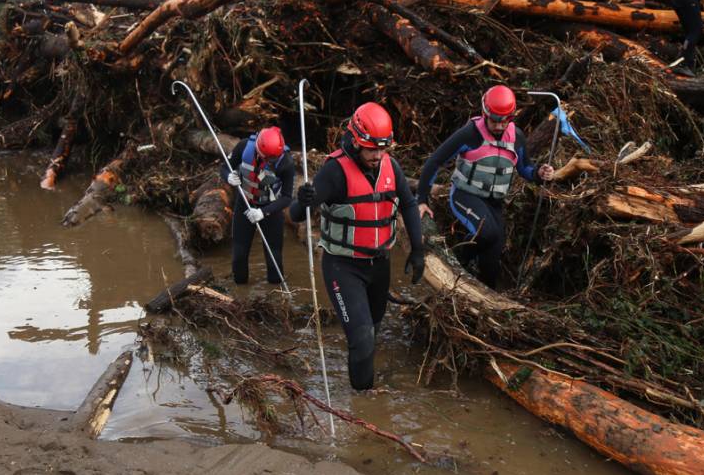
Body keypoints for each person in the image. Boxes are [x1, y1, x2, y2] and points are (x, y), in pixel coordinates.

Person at [290, 102, 425, 390]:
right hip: (343, 266)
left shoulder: (391, 166)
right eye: (371, 149)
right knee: (362, 340)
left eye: (382, 149)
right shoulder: (334, 171)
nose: (377, 156)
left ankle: (362, 384)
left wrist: (418, 250)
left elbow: (410, 204)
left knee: (372, 332)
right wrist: (303, 200)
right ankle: (362, 410)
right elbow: (296, 215)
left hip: (379, 264)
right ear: (355, 141)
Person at [415, 85, 555, 290]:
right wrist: (421, 199)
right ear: (485, 113)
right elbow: (434, 162)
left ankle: (484, 297)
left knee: (493, 258)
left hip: (494, 203)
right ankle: (455, 262)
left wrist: (540, 174)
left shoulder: (517, 137)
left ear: (511, 117)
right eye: (494, 121)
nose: (499, 126)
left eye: (504, 121)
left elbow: (525, 169)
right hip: (464, 195)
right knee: (486, 232)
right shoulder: (470, 134)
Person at [222, 126, 294, 285]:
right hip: (245, 205)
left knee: (274, 261)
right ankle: (239, 295)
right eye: (268, 159)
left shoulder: (286, 163)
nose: (271, 162)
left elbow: (287, 198)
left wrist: (263, 212)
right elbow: (225, 166)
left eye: (274, 159)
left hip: (271, 210)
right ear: (258, 150)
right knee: (239, 257)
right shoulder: (243, 147)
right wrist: (229, 176)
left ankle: (276, 297)